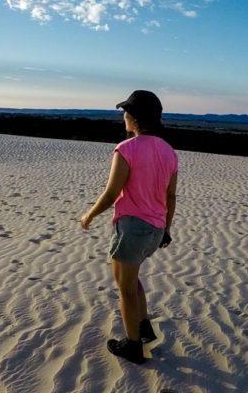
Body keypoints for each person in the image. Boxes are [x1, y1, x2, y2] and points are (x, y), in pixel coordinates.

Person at [80, 90, 178, 364]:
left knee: (125, 288)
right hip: (155, 228)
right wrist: (166, 229)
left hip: (133, 228)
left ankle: (133, 346)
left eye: (125, 112)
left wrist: (89, 215)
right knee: (131, 279)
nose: (123, 116)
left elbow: (112, 194)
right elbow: (170, 196)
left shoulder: (126, 149)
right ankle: (143, 327)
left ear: (133, 119)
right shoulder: (170, 152)